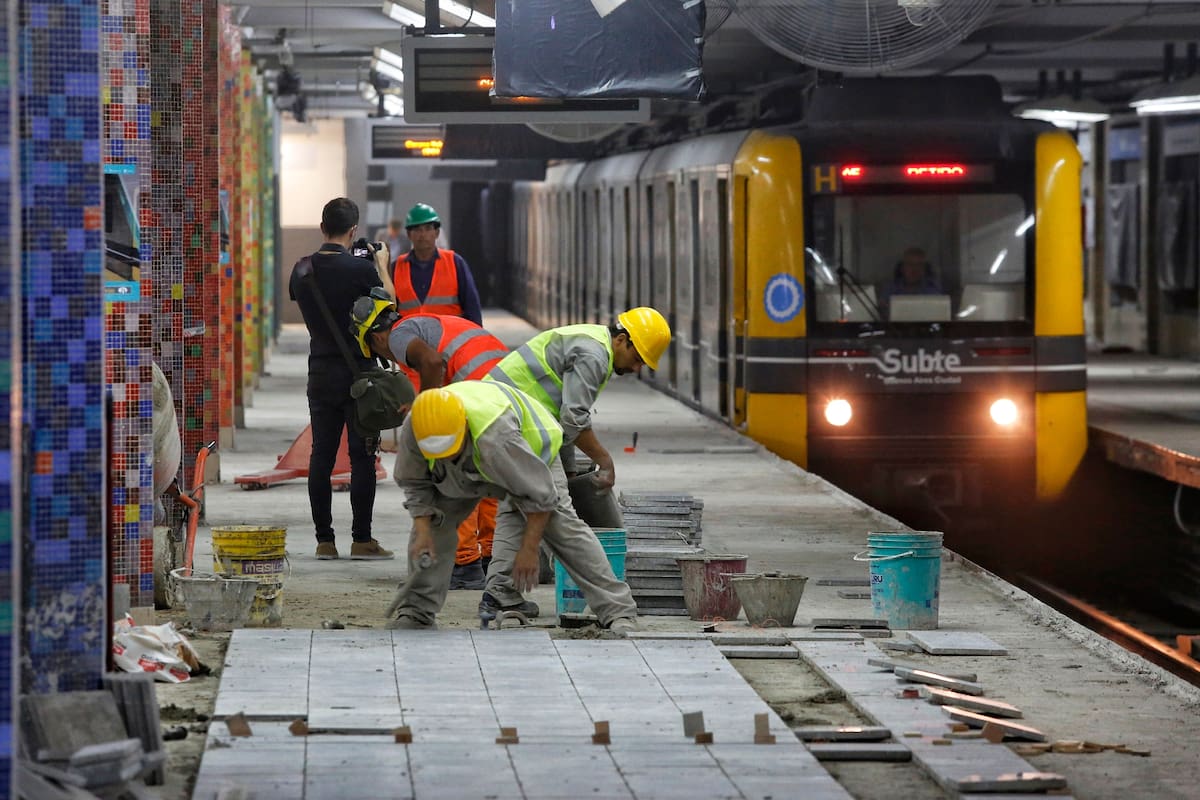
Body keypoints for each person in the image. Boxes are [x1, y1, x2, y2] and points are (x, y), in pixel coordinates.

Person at [389, 383, 639, 633]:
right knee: (434, 523)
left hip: (531, 449)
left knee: (563, 529)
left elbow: (540, 497)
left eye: (448, 450)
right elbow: (415, 484)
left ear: (463, 427)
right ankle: (417, 611)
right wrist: (423, 531)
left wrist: (529, 549)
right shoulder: (418, 426)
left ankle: (618, 610)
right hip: (472, 459)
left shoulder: (497, 439)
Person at [480, 307, 671, 618]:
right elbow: (574, 418)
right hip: (515, 423)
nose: (637, 368)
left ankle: (499, 594)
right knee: (561, 515)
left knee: (517, 507)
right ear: (622, 340)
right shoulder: (594, 355)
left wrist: (568, 469)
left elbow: (560, 420)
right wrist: (604, 460)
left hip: (508, 420)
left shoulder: (593, 344)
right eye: (638, 359)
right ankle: (615, 605)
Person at [350, 291, 510, 589]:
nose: (386, 358)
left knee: (457, 477)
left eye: (376, 352)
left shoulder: (399, 335)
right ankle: (492, 558)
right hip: (502, 391)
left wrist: (426, 407)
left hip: (478, 389)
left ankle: (463, 566)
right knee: (488, 477)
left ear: (377, 338)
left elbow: (433, 363)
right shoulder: (424, 325)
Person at [288, 197, 393, 561]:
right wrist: (380, 265)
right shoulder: (361, 272)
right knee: (362, 457)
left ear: (322, 228)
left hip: (320, 372)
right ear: (353, 231)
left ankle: (324, 541)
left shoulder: (301, 271)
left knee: (322, 456)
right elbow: (388, 312)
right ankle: (362, 540)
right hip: (358, 374)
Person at [393, 203, 483, 326]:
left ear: (436, 233)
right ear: (409, 234)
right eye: (417, 229)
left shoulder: (455, 263)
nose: (423, 234)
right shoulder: (397, 267)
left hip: (449, 341)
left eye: (428, 228)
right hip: (410, 342)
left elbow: (472, 307)